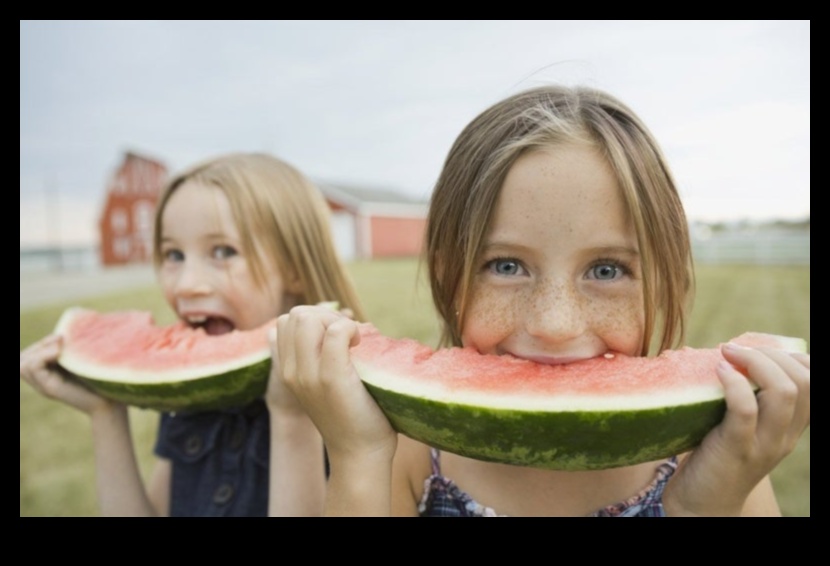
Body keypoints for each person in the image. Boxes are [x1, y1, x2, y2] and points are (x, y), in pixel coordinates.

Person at [274, 85, 811, 516]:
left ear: (668, 281)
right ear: (449, 276)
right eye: (506, 266)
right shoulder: (409, 454)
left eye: (607, 270)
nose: (555, 323)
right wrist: (358, 455)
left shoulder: (715, 459)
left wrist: (703, 508)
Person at [19, 152, 364, 516]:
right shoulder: (188, 404)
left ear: (295, 269)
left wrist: (293, 418)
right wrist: (106, 413)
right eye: (173, 254)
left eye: (222, 251)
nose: (186, 285)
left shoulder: (342, 409)